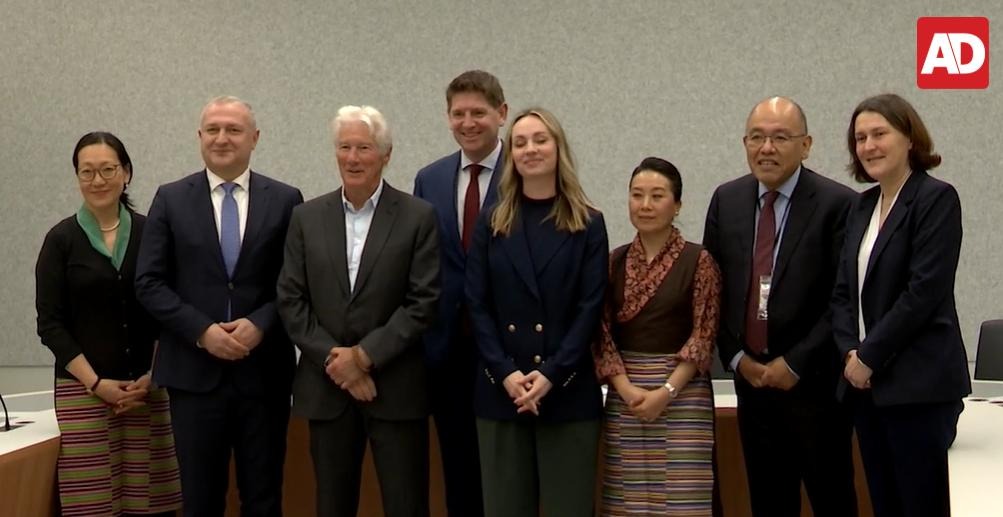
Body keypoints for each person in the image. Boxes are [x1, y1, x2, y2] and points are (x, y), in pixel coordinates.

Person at [135, 96, 303, 516]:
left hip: (263, 375)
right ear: (199, 136)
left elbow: (296, 281)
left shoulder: (286, 199)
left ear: (255, 138)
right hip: (193, 377)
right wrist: (202, 331)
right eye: (213, 130)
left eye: (233, 130)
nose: (222, 138)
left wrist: (261, 323)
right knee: (199, 501)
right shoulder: (171, 198)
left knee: (263, 499)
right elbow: (149, 282)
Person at [277, 105, 440, 517]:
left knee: (406, 505)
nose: (352, 158)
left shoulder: (418, 216)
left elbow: (423, 302)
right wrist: (338, 363)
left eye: (364, 148)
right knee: (332, 505)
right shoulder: (306, 217)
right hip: (326, 388)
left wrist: (364, 358)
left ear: (386, 155)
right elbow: (291, 299)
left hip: (396, 389)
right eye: (344, 147)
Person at [702, 97, 858, 516]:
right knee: (769, 502)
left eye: (780, 138)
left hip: (816, 389)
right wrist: (737, 359)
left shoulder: (838, 204)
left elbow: (844, 298)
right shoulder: (726, 200)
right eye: (756, 137)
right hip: (752, 387)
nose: (766, 148)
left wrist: (796, 363)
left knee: (833, 501)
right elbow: (712, 291)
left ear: (806, 145)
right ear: (744, 143)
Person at [832, 93, 971, 517]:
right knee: (885, 505)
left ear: (909, 138)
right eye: (860, 138)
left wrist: (869, 357)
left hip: (918, 388)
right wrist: (850, 353)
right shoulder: (861, 206)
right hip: (865, 389)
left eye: (879, 134)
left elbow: (922, 293)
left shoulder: (935, 199)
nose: (869, 146)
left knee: (921, 505)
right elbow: (843, 292)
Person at [465, 107, 608, 517]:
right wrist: (506, 373)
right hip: (501, 393)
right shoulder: (492, 221)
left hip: (567, 391)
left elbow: (590, 309)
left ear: (558, 148)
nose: (530, 149)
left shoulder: (588, 223)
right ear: (510, 155)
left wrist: (550, 374)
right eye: (520, 142)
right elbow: (476, 303)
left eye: (540, 140)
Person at [35, 131, 182, 516]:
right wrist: (97, 384)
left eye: (107, 169)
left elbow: (172, 312)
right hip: (82, 393)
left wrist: (153, 376)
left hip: (148, 390)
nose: (97, 180)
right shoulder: (60, 240)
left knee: (152, 504)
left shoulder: (154, 234)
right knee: (92, 505)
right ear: (77, 177)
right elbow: (50, 324)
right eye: (87, 172)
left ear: (126, 173)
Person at [594, 156, 721, 516]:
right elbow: (601, 333)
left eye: (657, 195)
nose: (645, 205)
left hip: (683, 395)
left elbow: (703, 334)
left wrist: (666, 392)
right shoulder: (614, 261)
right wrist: (626, 389)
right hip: (627, 395)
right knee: (628, 499)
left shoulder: (699, 260)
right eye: (637, 195)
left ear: (677, 205)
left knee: (683, 500)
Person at [412, 69, 507, 517]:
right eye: (458, 114)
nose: (468, 123)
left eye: (478, 113)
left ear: (501, 114)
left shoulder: (526, 172)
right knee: (458, 469)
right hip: (446, 350)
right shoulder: (429, 179)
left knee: (506, 473)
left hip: (508, 351)